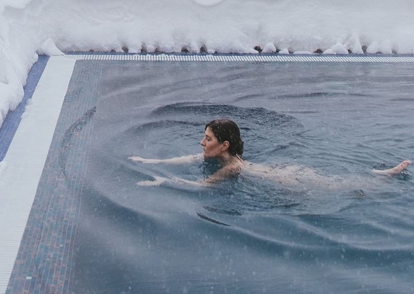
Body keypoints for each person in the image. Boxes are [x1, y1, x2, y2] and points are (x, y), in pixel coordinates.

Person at [129, 118, 411, 187]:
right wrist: (150, 161)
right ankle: (381, 175)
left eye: (208, 138)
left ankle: (383, 177)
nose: (202, 143)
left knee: (341, 186)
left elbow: (201, 186)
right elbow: (185, 159)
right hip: (282, 174)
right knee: (341, 182)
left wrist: (164, 181)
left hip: (293, 183)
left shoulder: (233, 168)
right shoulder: (222, 158)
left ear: (223, 146)